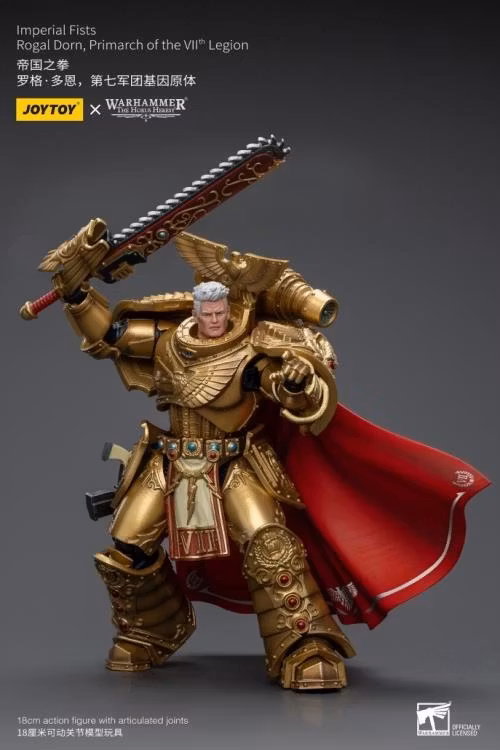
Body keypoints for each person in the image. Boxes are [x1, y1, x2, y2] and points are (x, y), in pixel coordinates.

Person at [42, 220, 491, 691]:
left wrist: (296, 381)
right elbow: (109, 335)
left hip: (236, 461)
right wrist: (76, 293)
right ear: (195, 308)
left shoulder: (254, 348)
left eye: (220, 311)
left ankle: (304, 643)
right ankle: (150, 629)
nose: (214, 320)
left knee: (269, 542)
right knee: (128, 545)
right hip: (170, 460)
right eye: (206, 312)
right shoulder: (169, 338)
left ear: (232, 307)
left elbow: (292, 395)